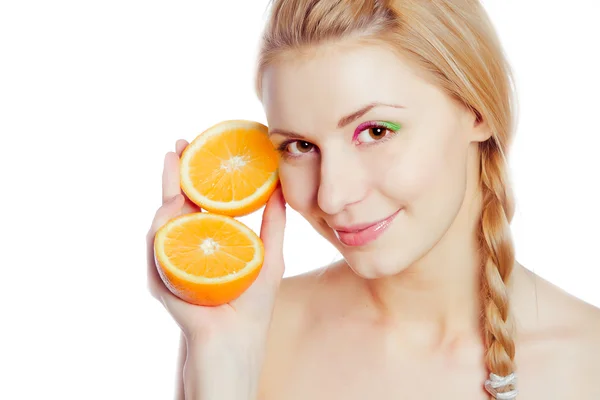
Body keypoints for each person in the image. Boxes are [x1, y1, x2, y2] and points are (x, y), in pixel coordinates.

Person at [146, 0, 600, 399]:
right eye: (299, 146)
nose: (332, 195)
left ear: (476, 110)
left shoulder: (587, 365)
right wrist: (225, 365)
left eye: (375, 131)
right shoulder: (248, 334)